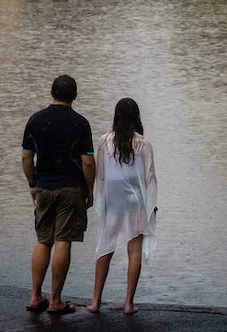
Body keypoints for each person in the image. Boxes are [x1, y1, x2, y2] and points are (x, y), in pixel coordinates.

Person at [21, 75, 95, 315]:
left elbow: (26, 157)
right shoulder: (80, 123)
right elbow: (87, 162)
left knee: (44, 240)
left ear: (51, 93)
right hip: (71, 188)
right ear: (75, 96)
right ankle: (55, 301)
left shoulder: (35, 120)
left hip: (44, 186)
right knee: (63, 240)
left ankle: (35, 297)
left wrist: (33, 183)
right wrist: (89, 188)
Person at [87, 98, 157, 315]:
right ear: (136, 117)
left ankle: (96, 302)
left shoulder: (104, 141)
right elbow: (150, 178)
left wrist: (100, 201)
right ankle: (128, 304)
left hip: (114, 201)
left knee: (105, 247)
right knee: (134, 250)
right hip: (136, 201)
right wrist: (152, 205)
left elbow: (101, 176)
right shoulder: (144, 143)